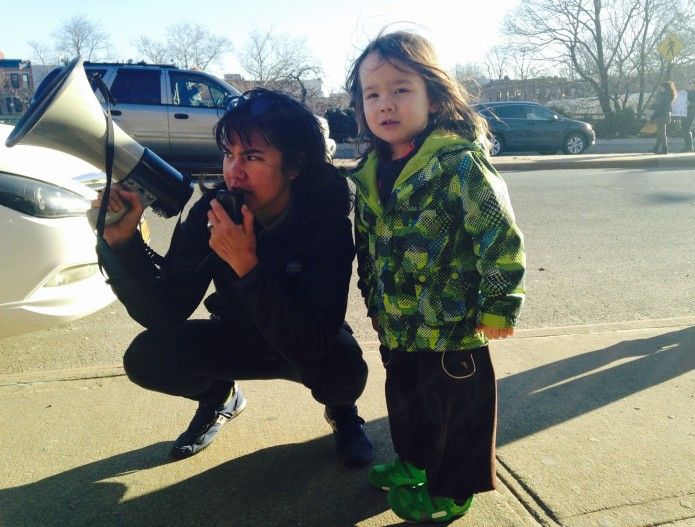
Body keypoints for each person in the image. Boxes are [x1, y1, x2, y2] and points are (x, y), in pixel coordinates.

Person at [91, 88, 373, 467]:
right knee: (146, 358)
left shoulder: (325, 224)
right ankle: (219, 397)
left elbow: (309, 343)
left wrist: (248, 266)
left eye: (252, 157)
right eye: (229, 154)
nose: (233, 171)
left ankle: (342, 412)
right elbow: (164, 312)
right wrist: (122, 244)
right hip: (236, 333)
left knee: (345, 370)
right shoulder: (213, 211)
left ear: (295, 165)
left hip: (305, 340)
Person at [345, 31, 526, 523]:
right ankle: (414, 462)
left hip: (453, 325)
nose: (386, 103)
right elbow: (368, 248)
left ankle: (454, 488)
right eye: (372, 93)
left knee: (457, 411)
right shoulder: (369, 172)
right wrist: (374, 305)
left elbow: (498, 236)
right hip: (399, 323)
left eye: (401, 89)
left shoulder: (459, 165)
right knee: (406, 401)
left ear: (434, 94)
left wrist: (499, 304)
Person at [649, 81, 677, 155]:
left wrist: (652, 117)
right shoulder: (668, 95)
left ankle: (665, 149)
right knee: (660, 133)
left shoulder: (664, 96)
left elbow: (659, 108)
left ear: (664, 87)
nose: (660, 88)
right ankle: (655, 148)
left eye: (661, 87)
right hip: (667, 116)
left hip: (662, 117)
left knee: (662, 134)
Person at [681, 79, 695, 152]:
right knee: (684, 129)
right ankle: (687, 146)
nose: (688, 84)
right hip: (684, 112)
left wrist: (690, 103)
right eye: (688, 83)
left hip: (691, 112)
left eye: (690, 83)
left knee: (687, 129)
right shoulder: (686, 92)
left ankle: (689, 147)